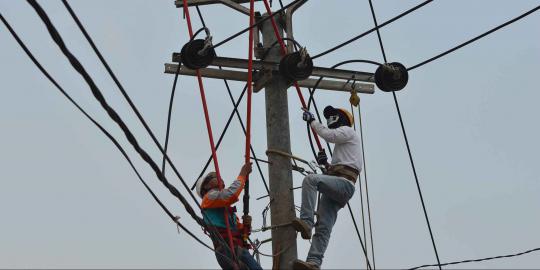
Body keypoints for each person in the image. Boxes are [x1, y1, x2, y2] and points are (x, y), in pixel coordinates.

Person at [292, 106, 363, 270]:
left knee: (310, 181)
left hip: (344, 185)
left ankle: (306, 222)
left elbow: (329, 135)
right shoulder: (344, 145)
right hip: (339, 188)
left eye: (333, 115)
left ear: (342, 119)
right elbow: (342, 168)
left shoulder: (348, 132)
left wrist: (312, 121)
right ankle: (314, 262)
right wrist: (326, 164)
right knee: (324, 226)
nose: (330, 118)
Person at [196, 162, 262, 270]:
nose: (218, 177)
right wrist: (243, 174)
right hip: (228, 250)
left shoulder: (226, 212)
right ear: (206, 186)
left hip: (235, 251)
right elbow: (231, 194)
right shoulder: (208, 198)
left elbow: (242, 233)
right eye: (213, 176)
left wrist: (246, 226)